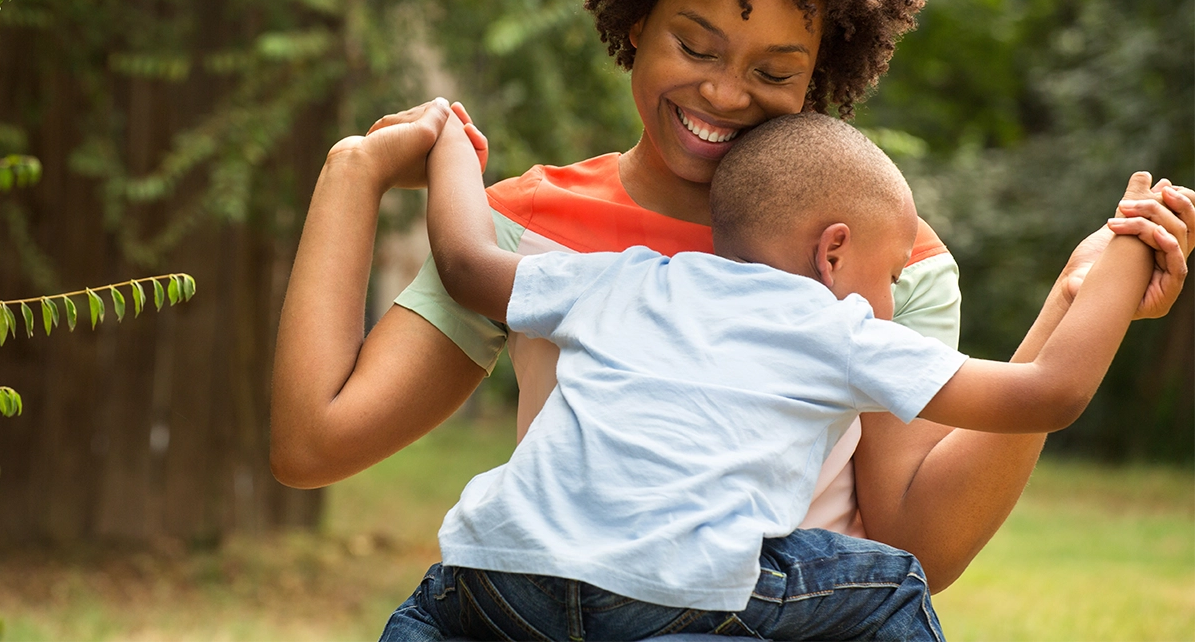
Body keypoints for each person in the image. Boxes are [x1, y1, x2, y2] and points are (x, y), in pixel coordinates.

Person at [269, 0, 1195, 594]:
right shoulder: (530, 227)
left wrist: (1069, 302)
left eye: (774, 70)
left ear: (822, 74)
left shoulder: (888, 257)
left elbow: (918, 540)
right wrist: (351, 175)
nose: (722, 93)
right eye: (696, 45)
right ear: (636, 19)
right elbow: (314, 445)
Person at [377, 110, 1158, 642]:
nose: (889, 299)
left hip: (503, 576)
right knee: (893, 585)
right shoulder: (833, 326)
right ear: (833, 252)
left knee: (430, 607)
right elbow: (1049, 392)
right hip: (672, 588)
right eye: (888, 272)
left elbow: (467, 264)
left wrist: (450, 143)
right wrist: (1126, 250)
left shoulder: (623, 277)